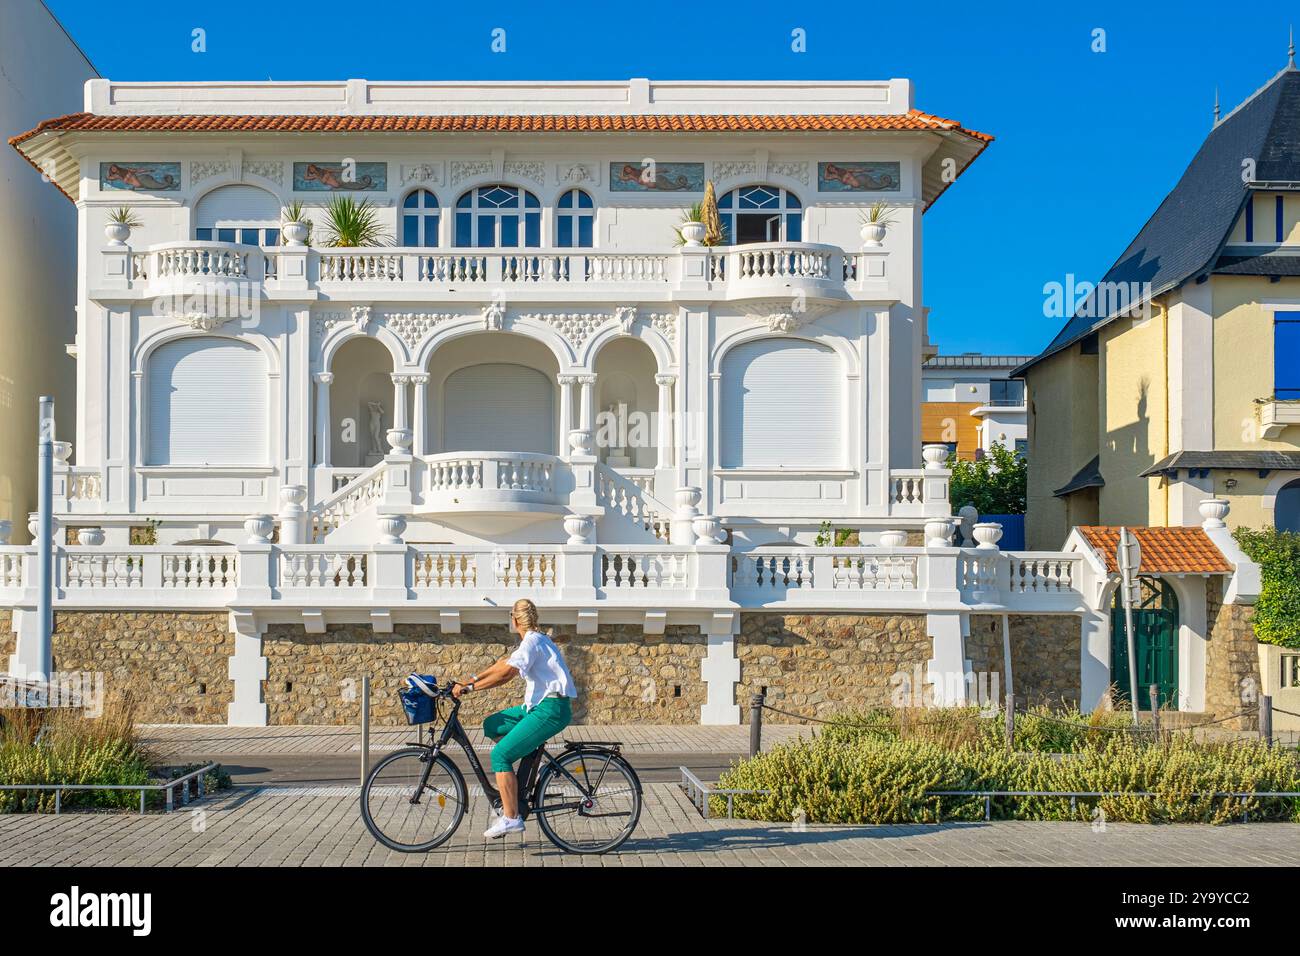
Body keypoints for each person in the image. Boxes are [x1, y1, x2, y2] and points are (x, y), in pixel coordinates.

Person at [452, 598, 577, 839]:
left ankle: (511, 818)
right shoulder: (535, 640)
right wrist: (469, 680)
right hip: (539, 706)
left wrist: (470, 690)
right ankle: (527, 765)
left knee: (500, 755)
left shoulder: (532, 642)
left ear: (515, 619)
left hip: (550, 709)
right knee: (492, 724)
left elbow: (506, 674)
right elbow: (502, 664)